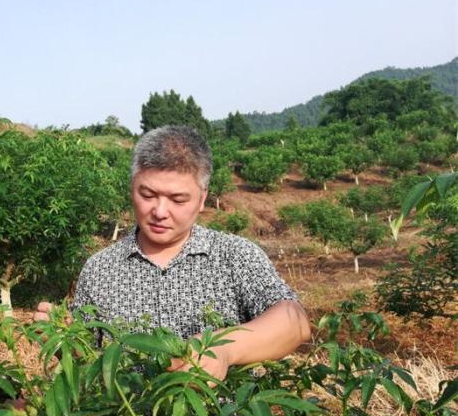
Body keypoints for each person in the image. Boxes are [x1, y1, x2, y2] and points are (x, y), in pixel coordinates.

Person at [35, 125, 311, 379]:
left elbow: (294, 322)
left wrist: (224, 349)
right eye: (148, 195)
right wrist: (64, 340)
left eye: (177, 199)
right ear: (132, 188)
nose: (159, 212)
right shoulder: (100, 269)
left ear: (202, 199)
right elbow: (91, 367)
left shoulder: (234, 255)